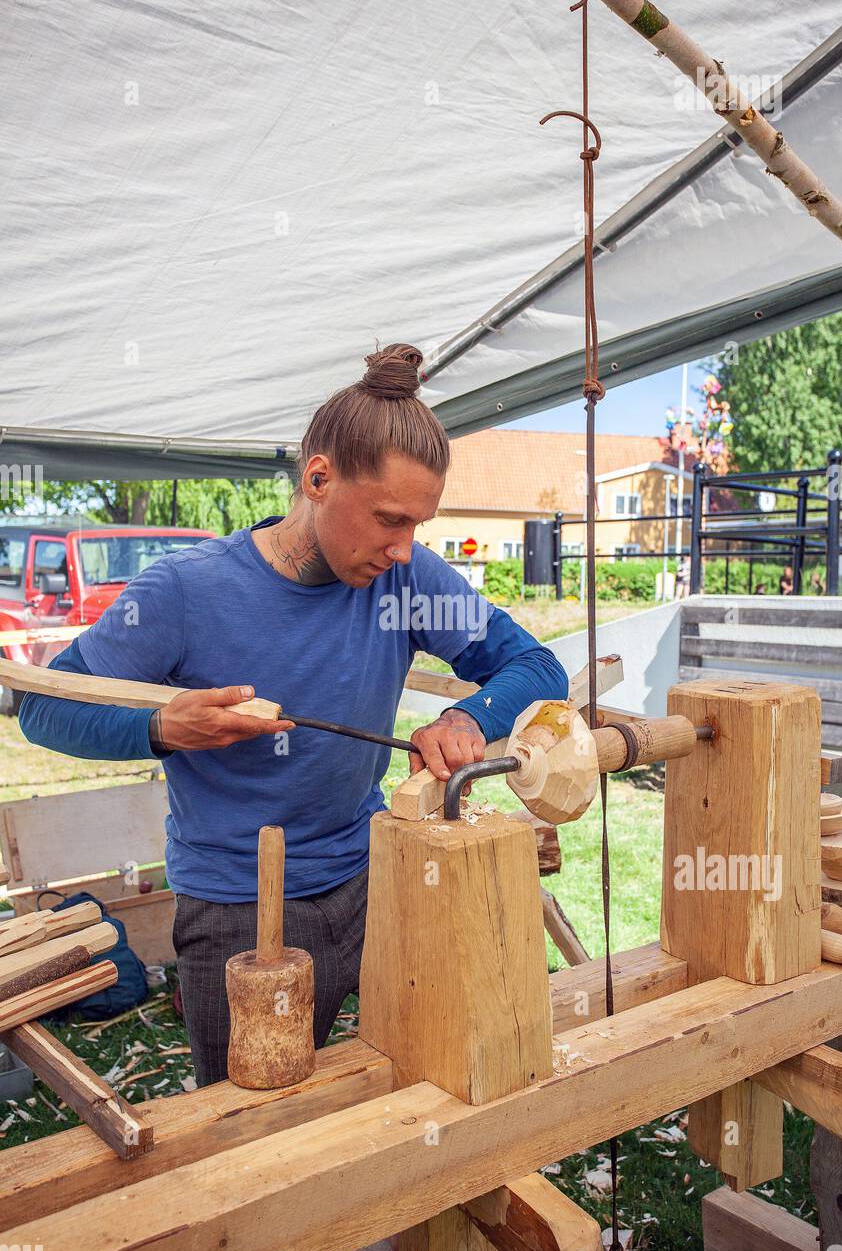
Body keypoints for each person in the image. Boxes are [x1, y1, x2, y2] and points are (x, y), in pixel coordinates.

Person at [19, 343, 568, 1087]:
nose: (404, 550)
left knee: (415, 1079)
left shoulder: (406, 580)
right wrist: (164, 729)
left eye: (418, 526)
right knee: (245, 1128)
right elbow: (47, 709)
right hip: (239, 907)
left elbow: (536, 666)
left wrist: (469, 718)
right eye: (388, 520)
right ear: (318, 478)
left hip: (376, 875)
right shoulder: (186, 591)